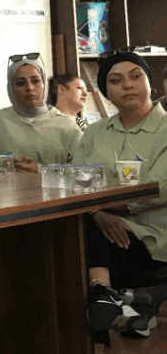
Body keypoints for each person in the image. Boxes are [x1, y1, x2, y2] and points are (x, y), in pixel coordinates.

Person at [73, 50, 167, 337]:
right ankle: (103, 295)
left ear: (150, 83)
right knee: (66, 229)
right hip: (101, 231)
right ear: (105, 92)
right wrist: (97, 213)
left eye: (136, 76)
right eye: (115, 80)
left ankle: (103, 293)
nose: (127, 85)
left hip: (153, 239)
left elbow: (158, 189)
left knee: (85, 227)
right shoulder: (94, 133)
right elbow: (76, 181)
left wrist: (99, 209)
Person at [0, 53, 82, 172]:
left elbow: (83, 169)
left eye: (36, 81)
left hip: (54, 185)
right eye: (20, 83)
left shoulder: (67, 125)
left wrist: (40, 170)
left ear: (45, 85)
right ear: (11, 88)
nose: (29, 88)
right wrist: (4, 164)